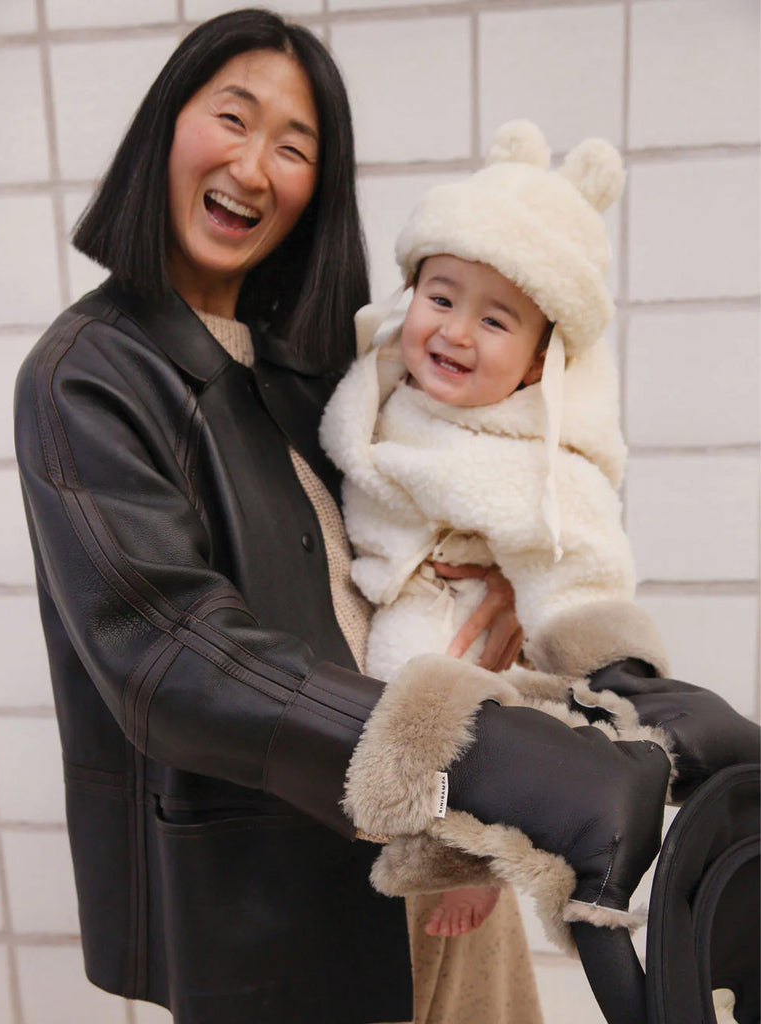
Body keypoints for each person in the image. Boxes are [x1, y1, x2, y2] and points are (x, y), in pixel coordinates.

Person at [12, 11, 747, 1024]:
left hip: (444, 866)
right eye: (233, 116)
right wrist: (472, 749)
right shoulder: (86, 375)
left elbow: (500, 492)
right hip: (283, 910)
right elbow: (169, 655)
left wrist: (570, 663)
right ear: (164, 127)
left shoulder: (321, 366)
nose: (254, 165)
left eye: (294, 146)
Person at [323, 120, 760, 945]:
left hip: (461, 635)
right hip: (386, 607)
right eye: (441, 297)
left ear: (535, 364)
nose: (453, 330)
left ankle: (469, 860)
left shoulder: (533, 461)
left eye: (495, 321)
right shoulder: (378, 384)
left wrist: (610, 663)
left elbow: (580, 562)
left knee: (460, 722)